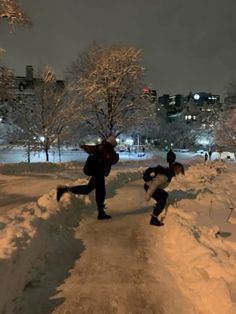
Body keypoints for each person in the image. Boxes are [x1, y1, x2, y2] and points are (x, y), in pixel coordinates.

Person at [56, 137, 119, 220]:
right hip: (98, 172)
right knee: (97, 191)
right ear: (112, 143)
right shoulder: (107, 148)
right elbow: (112, 159)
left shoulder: (102, 146)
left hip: (98, 171)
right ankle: (64, 190)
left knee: (96, 191)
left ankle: (101, 212)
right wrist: (116, 156)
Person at [143, 162, 184, 227]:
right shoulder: (165, 176)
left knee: (165, 195)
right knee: (162, 202)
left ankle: (157, 207)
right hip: (149, 186)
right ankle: (153, 219)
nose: (179, 172)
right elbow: (154, 185)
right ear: (175, 169)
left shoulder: (169, 173)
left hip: (154, 187)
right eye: (179, 170)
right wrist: (148, 196)